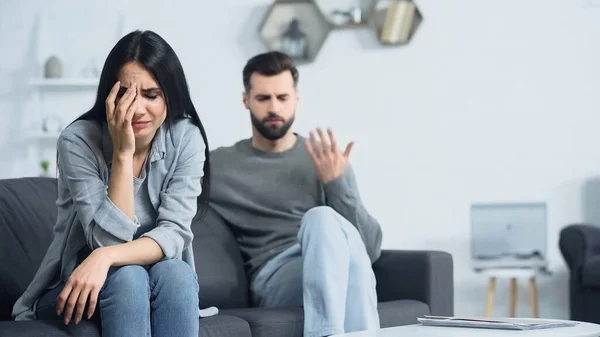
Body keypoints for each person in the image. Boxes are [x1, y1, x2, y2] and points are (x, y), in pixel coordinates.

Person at [12, 30, 210, 337]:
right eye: (125, 94)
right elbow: (109, 241)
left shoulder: (186, 138)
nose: (137, 109)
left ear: (170, 95)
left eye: (151, 95)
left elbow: (173, 235)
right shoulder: (77, 141)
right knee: (129, 276)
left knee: (177, 272)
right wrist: (123, 153)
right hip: (77, 282)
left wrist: (104, 257)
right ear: (109, 94)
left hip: (151, 276)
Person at [207, 51, 383, 337]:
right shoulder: (218, 166)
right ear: (246, 100)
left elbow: (371, 249)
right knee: (328, 229)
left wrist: (336, 183)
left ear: (296, 99)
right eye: (263, 98)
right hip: (275, 276)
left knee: (323, 220)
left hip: (336, 263)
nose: (274, 108)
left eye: (282, 98)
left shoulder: (326, 160)